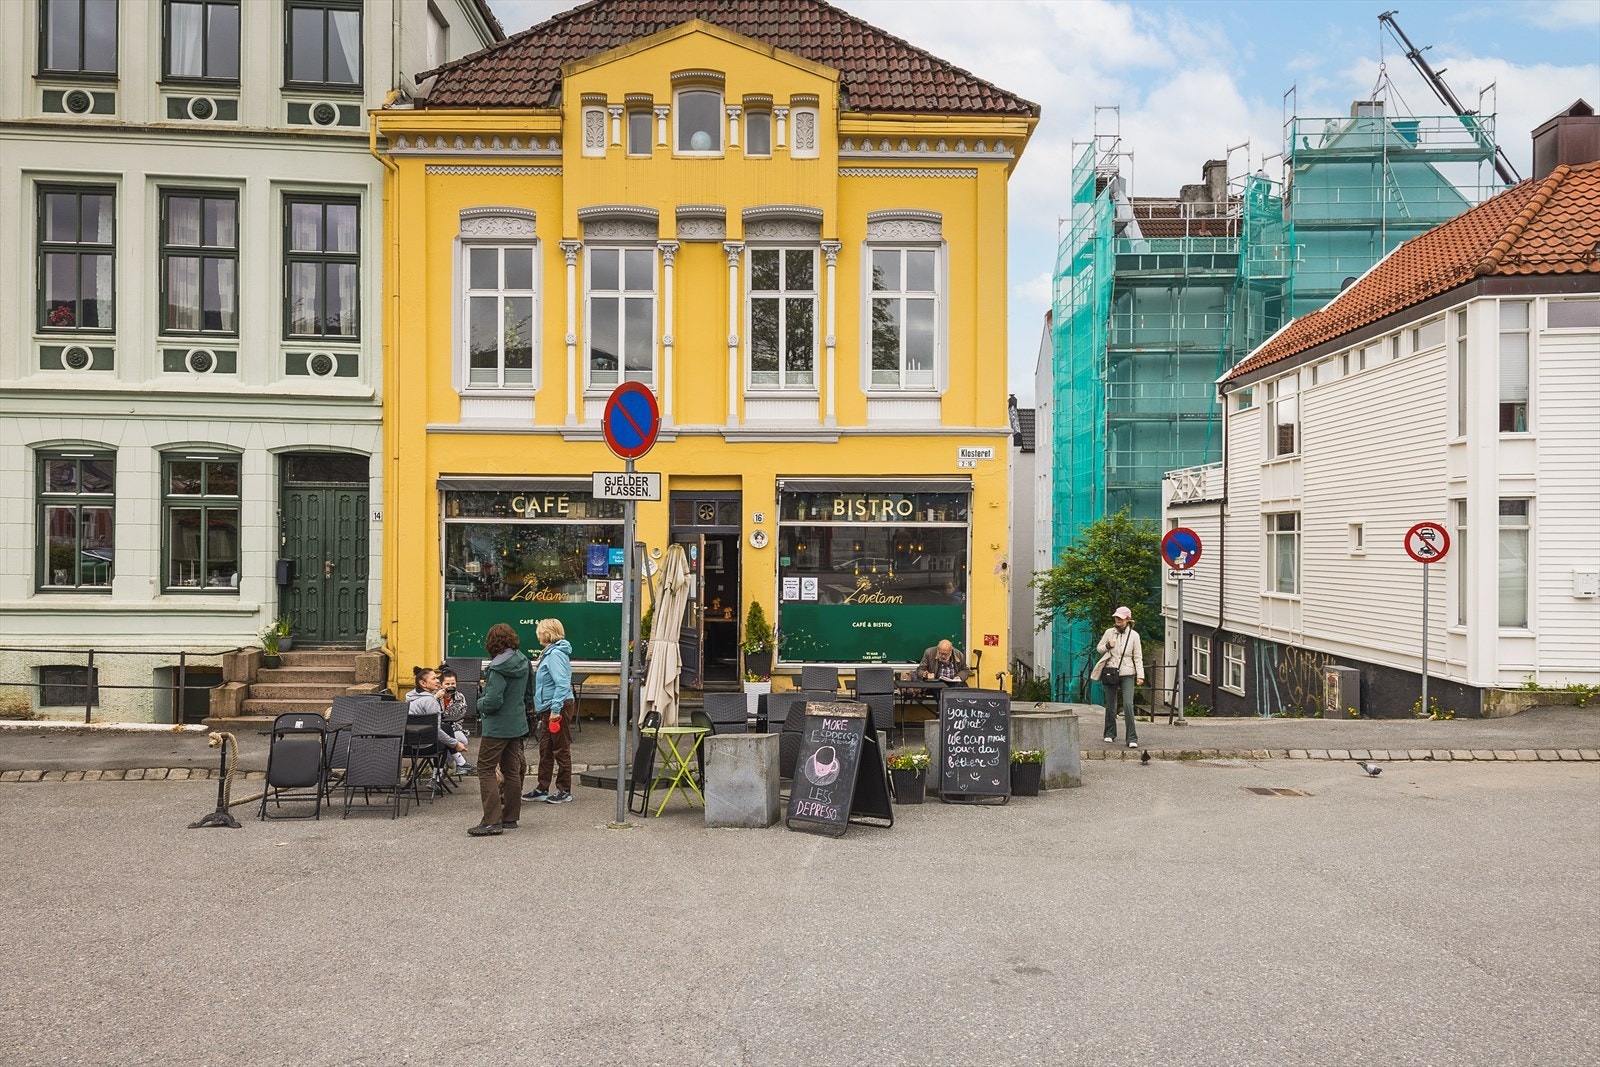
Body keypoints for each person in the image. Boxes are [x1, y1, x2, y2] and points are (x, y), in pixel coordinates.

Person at [469, 623, 531, 836]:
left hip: (497, 726)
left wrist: (479, 703)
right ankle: (510, 817)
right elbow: (528, 694)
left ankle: (491, 821)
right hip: (516, 723)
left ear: (492, 643)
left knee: (485, 769)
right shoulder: (523, 661)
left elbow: (493, 701)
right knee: (511, 770)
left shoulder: (497, 668)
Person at [523, 618, 576, 805]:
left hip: (558, 706)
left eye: (540, 630)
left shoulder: (555, 655)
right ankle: (542, 787)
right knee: (545, 749)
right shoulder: (550, 653)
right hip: (548, 707)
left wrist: (555, 709)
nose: (537, 633)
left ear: (547, 632)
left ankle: (564, 790)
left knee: (560, 749)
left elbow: (562, 683)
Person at [1093, 606, 1145, 748]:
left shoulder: (1134, 635)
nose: (1118, 621)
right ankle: (1109, 733)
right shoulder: (1109, 632)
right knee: (1110, 704)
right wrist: (1108, 645)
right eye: (1116, 618)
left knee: (1128, 704)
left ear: (1128, 619)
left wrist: (1140, 675)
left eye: (1121, 619)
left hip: (1128, 673)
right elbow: (1099, 649)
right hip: (1111, 671)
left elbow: (1138, 657)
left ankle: (1132, 738)